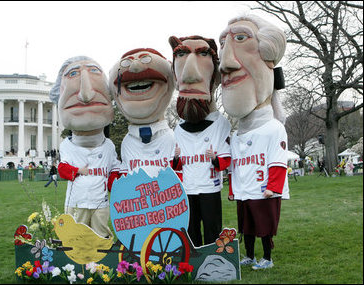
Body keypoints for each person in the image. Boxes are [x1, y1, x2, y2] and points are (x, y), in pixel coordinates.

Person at [219, 14, 289, 270]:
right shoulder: (237, 134)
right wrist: (232, 188)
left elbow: (278, 161)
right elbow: (234, 163)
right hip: (245, 188)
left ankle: (267, 258)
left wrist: (273, 186)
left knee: (264, 226)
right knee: (246, 225)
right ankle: (248, 254)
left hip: (263, 189)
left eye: (240, 38)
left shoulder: (274, 128)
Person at [168, 35, 232, 247]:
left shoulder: (219, 124)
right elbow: (173, 163)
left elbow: (225, 159)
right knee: (191, 225)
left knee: (212, 225)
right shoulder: (178, 128)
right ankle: (194, 256)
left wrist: (215, 159)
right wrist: (176, 159)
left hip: (209, 187)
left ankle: (214, 255)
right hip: (189, 188)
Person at [50, 56, 121, 238]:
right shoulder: (67, 145)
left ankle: (101, 262)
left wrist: (116, 183)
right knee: (77, 234)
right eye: (73, 74)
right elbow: (63, 169)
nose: (86, 94)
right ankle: (77, 263)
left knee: (100, 232)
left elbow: (115, 169)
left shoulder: (108, 146)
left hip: (100, 200)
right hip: (77, 200)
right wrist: (78, 170)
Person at [108, 48, 176, 178]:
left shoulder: (171, 138)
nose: (135, 66)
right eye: (127, 63)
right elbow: (125, 173)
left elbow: (178, 172)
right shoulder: (127, 141)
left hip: (165, 195)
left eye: (145, 59)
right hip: (138, 195)